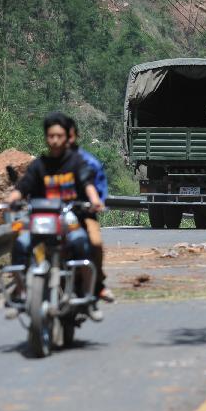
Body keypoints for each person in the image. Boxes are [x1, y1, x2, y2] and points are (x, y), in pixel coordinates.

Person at [5, 111, 105, 321]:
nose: (55, 140)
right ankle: (21, 292)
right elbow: (23, 186)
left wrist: (94, 200)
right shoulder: (39, 165)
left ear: (66, 137)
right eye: (51, 136)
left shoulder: (77, 163)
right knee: (21, 244)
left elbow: (88, 184)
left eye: (59, 136)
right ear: (46, 137)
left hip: (70, 220)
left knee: (83, 245)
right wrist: (12, 199)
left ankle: (89, 296)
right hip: (42, 221)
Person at [65, 117, 114, 303]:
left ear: (76, 136)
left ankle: (97, 284)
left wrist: (96, 203)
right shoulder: (47, 163)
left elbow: (98, 190)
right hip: (55, 215)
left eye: (68, 136)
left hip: (82, 214)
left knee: (95, 243)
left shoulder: (88, 163)